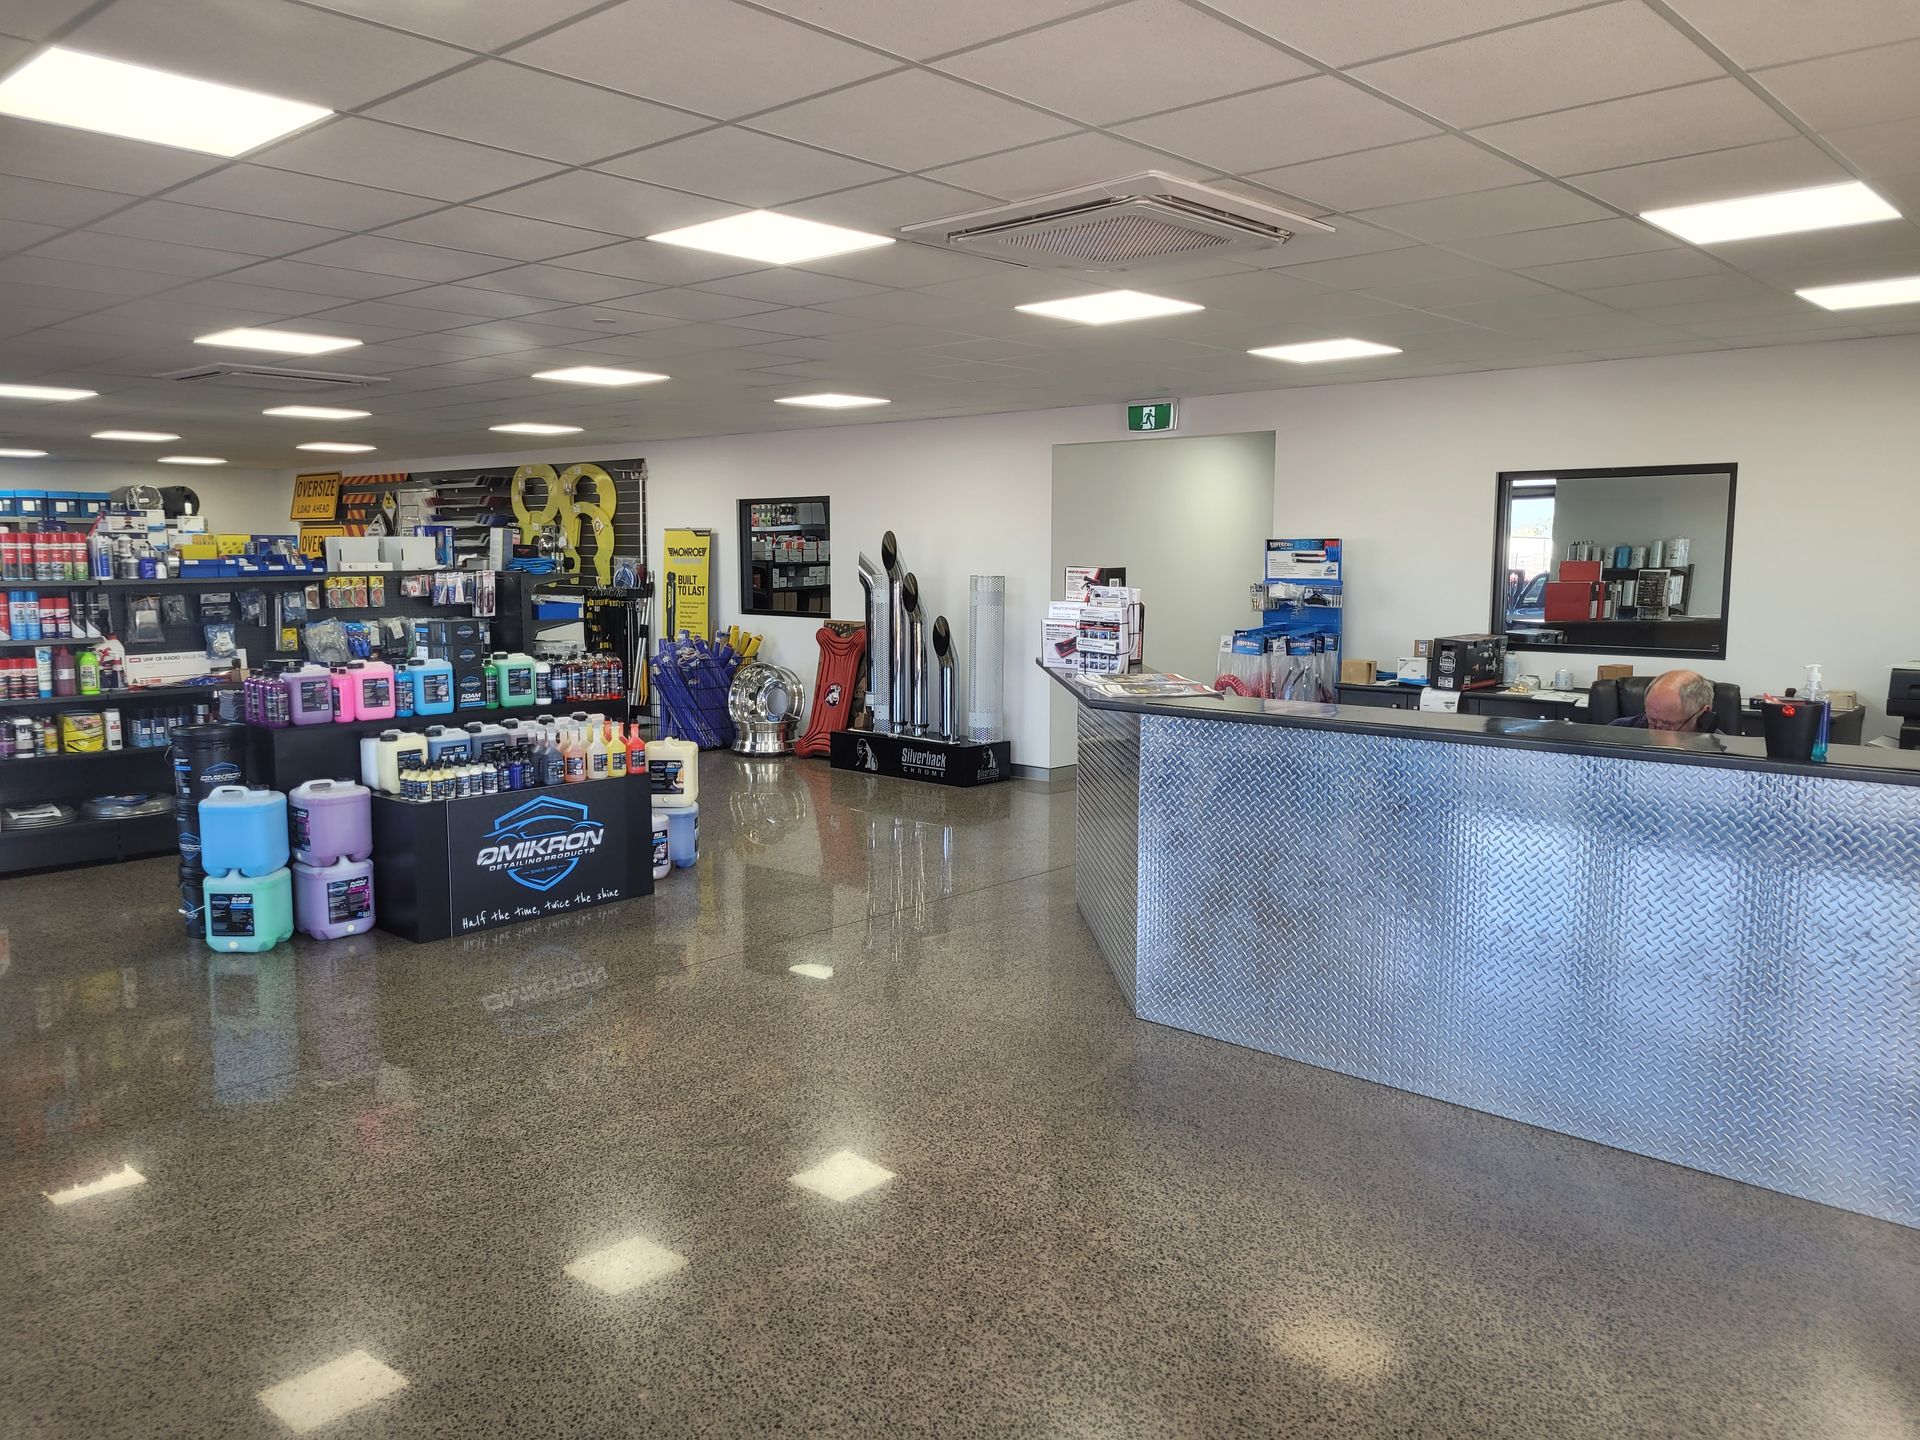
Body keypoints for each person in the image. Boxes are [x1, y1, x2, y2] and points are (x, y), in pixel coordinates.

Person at [1609, 669, 1718, 733]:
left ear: (1702, 716)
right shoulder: (1618, 732)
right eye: (1652, 722)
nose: (1656, 734)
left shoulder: (1725, 756)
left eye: (1667, 726)